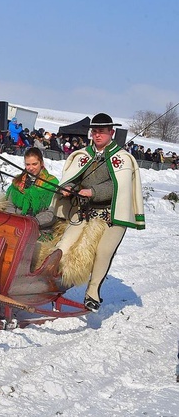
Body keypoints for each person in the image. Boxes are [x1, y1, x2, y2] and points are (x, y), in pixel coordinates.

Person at [51, 113, 145, 312]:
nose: (97, 135)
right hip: (84, 211)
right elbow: (73, 177)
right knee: (64, 244)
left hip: (112, 215)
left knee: (103, 252)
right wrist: (68, 187)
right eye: (94, 131)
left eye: (102, 131)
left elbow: (119, 186)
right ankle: (49, 283)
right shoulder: (83, 155)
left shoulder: (123, 159)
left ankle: (93, 292)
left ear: (111, 132)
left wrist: (93, 191)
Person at [5, 147, 59, 229]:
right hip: (16, 223)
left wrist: (33, 222)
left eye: (34, 164)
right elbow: (9, 204)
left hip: (40, 226)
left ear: (41, 163)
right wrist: (14, 219)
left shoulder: (51, 182)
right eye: (27, 164)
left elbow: (52, 211)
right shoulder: (17, 181)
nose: (30, 168)